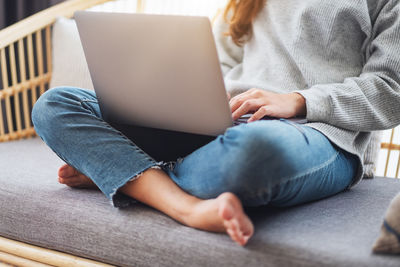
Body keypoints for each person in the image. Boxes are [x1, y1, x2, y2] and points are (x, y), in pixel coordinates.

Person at [31, 0, 400, 246]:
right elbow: (218, 66)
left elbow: (391, 89)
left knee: (253, 152)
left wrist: (299, 100)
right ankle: (183, 204)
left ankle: (123, 174)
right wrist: (189, 103)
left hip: (320, 134)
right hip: (227, 124)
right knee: (57, 103)